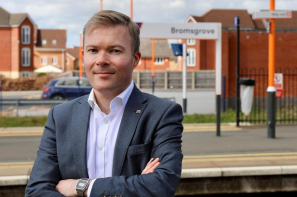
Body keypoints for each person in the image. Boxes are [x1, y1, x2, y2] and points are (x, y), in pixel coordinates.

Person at [25, 10, 183, 197]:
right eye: (93, 50)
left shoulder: (162, 114)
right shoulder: (60, 116)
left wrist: (83, 187)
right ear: (84, 56)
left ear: (135, 59)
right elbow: (36, 191)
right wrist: (137, 184)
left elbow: (160, 186)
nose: (101, 60)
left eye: (115, 50)